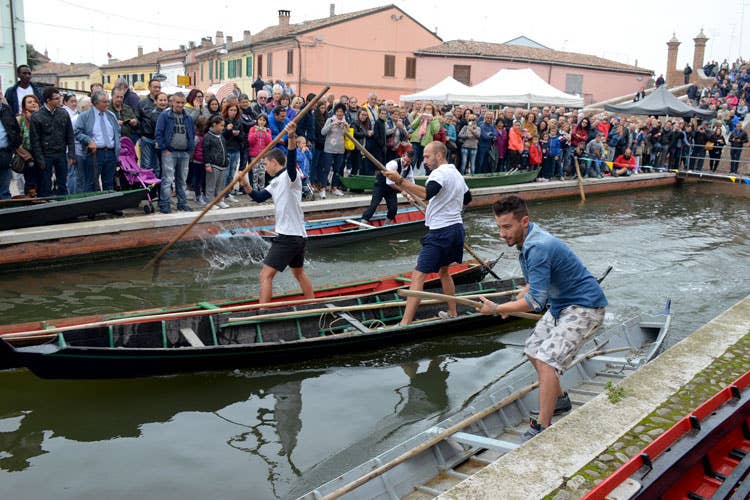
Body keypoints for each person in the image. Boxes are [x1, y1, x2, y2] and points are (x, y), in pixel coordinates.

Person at [476, 195, 607, 440]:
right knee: (533, 349)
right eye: (499, 227)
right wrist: (512, 302)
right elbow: (534, 285)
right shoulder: (528, 241)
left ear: (524, 221)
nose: (502, 234)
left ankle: (542, 428)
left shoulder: (538, 247)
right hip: (561, 305)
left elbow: (535, 303)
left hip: (585, 307)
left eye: (507, 227)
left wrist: (498, 309)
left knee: (546, 360)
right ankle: (558, 400)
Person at [383, 141, 471, 325]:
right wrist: (443, 204)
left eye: (427, 157)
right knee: (444, 271)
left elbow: (426, 193)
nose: (424, 161)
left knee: (418, 275)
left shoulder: (438, 173)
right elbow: (467, 199)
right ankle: (453, 313)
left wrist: (400, 180)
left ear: (439, 156)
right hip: (456, 229)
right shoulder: (456, 173)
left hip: (440, 231)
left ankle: (404, 324)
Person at [243, 122, 314, 304]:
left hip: (289, 236)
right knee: (298, 273)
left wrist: (291, 137)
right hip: (298, 236)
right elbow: (259, 197)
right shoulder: (275, 182)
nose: (265, 167)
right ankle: (313, 304)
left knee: (265, 275)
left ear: (274, 162)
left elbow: (291, 162)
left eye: (266, 163)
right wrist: (245, 184)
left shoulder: (291, 177)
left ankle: (263, 312)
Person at [29, 87, 76, 196]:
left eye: (59, 98)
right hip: (46, 155)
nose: (60, 101)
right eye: (56, 99)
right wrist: (40, 160)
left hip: (60, 153)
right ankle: (46, 208)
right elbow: (34, 141)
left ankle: (63, 207)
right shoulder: (37, 116)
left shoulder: (63, 113)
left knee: (62, 184)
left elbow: (70, 135)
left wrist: (71, 155)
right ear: (48, 100)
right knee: (45, 184)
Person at [155, 92, 195, 213]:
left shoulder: (188, 117)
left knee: (182, 180)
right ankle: (164, 204)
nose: (180, 105)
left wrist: (189, 148)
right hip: (169, 152)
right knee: (167, 179)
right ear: (172, 102)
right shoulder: (165, 115)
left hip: (184, 152)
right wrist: (164, 148)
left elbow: (191, 133)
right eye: (178, 102)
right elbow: (158, 133)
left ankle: (182, 203)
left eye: (182, 103)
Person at [74, 90, 120, 193]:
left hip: (110, 153)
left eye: (108, 101)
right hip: (95, 153)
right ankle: (91, 207)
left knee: (109, 182)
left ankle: (109, 206)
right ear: (95, 103)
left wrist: (118, 146)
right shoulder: (84, 116)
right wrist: (88, 141)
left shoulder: (111, 115)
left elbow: (117, 132)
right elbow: (77, 132)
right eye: (104, 102)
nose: (107, 104)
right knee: (91, 182)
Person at [361, 149, 415, 224]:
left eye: (408, 162)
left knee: (393, 209)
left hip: (391, 189)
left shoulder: (409, 169)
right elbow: (390, 183)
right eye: (405, 160)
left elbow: (411, 184)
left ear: (411, 161)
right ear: (403, 156)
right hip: (381, 185)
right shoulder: (393, 164)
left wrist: (411, 196)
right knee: (374, 205)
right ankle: (363, 223)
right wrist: (402, 191)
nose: (406, 163)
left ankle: (386, 225)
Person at [202, 115, 229, 209]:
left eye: (223, 125)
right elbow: (206, 151)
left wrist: (227, 159)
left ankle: (220, 200)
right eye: (221, 125)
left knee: (221, 185)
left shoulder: (221, 136)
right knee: (211, 185)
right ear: (214, 125)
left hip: (223, 164)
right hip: (213, 165)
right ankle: (210, 202)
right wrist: (207, 164)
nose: (223, 128)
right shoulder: (208, 136)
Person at [0, 96, 22, 199]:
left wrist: (12, 148)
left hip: (5, 153)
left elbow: (16, 130)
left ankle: (6, 213)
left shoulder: (6, 109)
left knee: (4, 190)